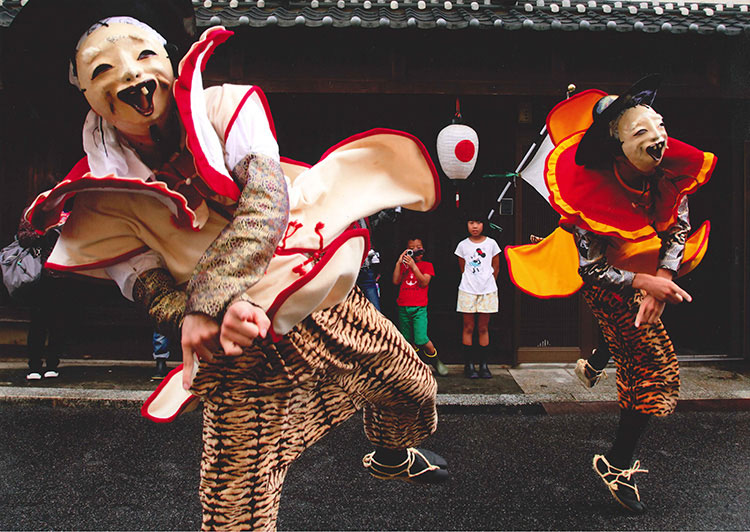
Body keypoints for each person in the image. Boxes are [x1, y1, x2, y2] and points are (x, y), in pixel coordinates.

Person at [13, 1, 447, 529]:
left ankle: (390, 456)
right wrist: (201, 315)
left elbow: (265, 198)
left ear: (171, 61)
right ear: (82, 89)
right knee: (233, 509)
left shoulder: (225, 106)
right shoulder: (96, 194)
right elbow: (146, 285)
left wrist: (206, 301)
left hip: (314, 282)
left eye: (143, 53)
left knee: (414, 389)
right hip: (233, 345)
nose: (128, 72)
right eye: (101, 68)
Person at [506, 75, 715, 513]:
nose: (657, 138)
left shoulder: (668, 171)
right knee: (654, 371)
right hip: (610, 284)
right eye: (641, 132)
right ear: (617, 147)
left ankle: (597, 360)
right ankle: (616, 464)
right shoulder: (591, 196)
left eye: (658, 125)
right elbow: (593, 269)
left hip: (650, 264)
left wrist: (661, 277)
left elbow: (677, 228)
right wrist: (644, 285)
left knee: (654, 313)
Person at [15, 215, 64, 380]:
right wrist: (44, 230)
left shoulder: (67, 213)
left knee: (57, 322)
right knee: (37, 321)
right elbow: (23, 238)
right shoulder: (33, 212)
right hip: (36, 273)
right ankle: (34, 365)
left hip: (60, 273)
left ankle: (52, 363)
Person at [392, 237, 448, 377]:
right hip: (403, 306)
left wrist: (413, 266)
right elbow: (395, 281)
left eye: (419, 247)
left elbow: (424, 282)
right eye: (412, 248)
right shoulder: (404, 266)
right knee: (406, 340)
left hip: (419, 307)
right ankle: (413, 367)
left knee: (421, 339)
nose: (416, 250)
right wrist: (400, 262)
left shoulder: (427, 265)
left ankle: (435, 361)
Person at [454, 218, 501, 379]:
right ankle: (469, 365)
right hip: (467, 289)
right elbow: (462, 267)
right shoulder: (462, 245)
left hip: (487, 290)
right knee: (468, 327)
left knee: (483, 328)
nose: (475, 226)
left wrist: (487, 281)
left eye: (478, 223)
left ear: (483, 225)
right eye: (471, 223)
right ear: (466, 224)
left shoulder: (492, 244)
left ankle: (483, 365)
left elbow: (496, 266)